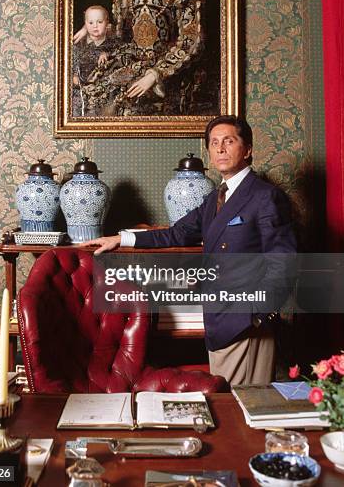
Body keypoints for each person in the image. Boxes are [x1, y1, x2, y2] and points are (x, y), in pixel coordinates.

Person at [79, 115, 297, 385]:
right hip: (219, 319)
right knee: (225, 402)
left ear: (248, 149)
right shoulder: (215, 198)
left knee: (242, 407)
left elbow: (284, 263)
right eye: (214, 143)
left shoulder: (265, 196)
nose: (220, 149)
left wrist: (256, 314)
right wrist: (121, 239)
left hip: (245, 323)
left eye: (229, 141)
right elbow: (177, 233)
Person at [73, 0, 204, 116]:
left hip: (164, 64)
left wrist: (154, 75)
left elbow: (190, 43)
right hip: (132, 58)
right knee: (96, 89)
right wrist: (85, 28)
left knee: (128, 101)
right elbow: (118, 33)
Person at [72, 5, 120, 116]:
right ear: (85, 23)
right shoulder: (78, 45)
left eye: (99, 22)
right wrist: (75, 78)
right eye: (91, 23)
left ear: (107, 22)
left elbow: (120, 53)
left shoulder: (113, 43)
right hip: (80, 92)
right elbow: (71, 67)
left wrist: (107, 53)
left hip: (104, 92)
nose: (95, 26)